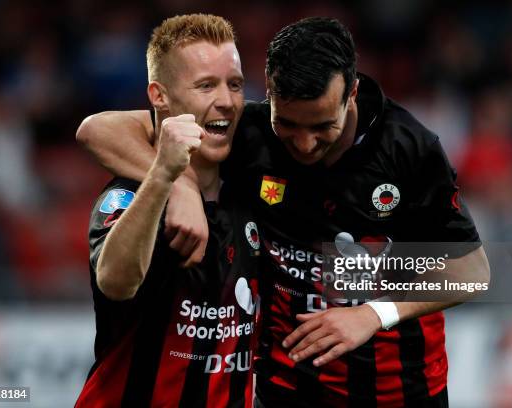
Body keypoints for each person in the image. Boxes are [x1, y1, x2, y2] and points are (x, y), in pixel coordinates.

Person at [77, 17, 490, 408]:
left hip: (401, 393)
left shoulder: (408, 149)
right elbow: (100, 129)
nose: (305, 144)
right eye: (289, 125)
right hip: (287, 393)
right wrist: (178, 183)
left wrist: (373, 314)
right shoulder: (249, 130)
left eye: (323, 127)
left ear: (351, 93)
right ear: (268, 94)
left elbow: (472, 271)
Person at [75, 14, 260, 407]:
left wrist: (380, 311)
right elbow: (116, 281)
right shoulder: (130, 194)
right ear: (159, 95)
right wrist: (168, 180)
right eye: (206, 85)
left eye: (235, 85)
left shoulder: (255, 181)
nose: (226, 101)